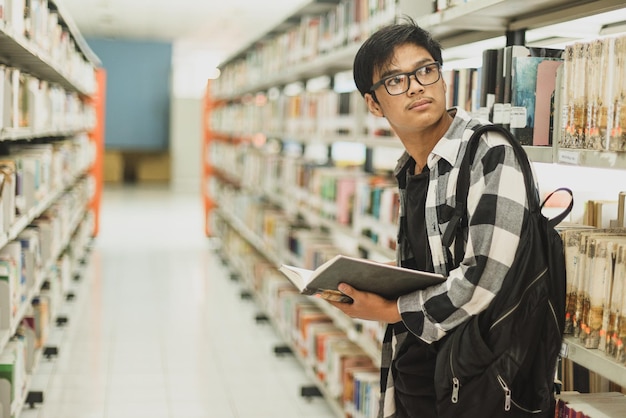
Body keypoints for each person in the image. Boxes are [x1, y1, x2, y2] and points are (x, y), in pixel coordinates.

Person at [324, 17, 532, 418]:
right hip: (417, 375)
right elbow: (433, 267)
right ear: (373, 104)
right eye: (395, 80)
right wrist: (377, 282)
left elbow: (485, 278)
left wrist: (387, 310)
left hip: (473, 381)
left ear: (442, 78)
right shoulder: (411, 167)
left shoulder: (489, 151)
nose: (416, 85)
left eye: (425, 70)